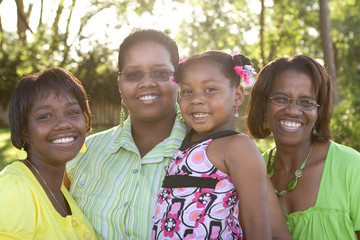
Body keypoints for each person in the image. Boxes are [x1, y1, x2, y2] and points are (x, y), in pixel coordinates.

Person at [152, 50, 290, 239]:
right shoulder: (185, 142)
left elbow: (257, 223)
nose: (196, 99)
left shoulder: (237, 147)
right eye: (187, 91)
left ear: (237, 95)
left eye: (210, 89)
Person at [64, 29, 186, 239]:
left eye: (160, 73)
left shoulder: (215, 153)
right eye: (133, 74)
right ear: (120, 84)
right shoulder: (82, 153)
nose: (147, 82)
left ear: (179, 79)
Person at [247, 54, 360, 239]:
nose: (293, 110)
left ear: (319, 110)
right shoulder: (254, 171)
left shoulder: (352, 168)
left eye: (306, 102)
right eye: (281, 98)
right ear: (263, 105)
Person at [0, 67, 96, 239]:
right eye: (45, 116)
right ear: (24, 131)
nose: (64, 124)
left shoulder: (62, 191)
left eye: (72, 112)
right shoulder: (14, 190)